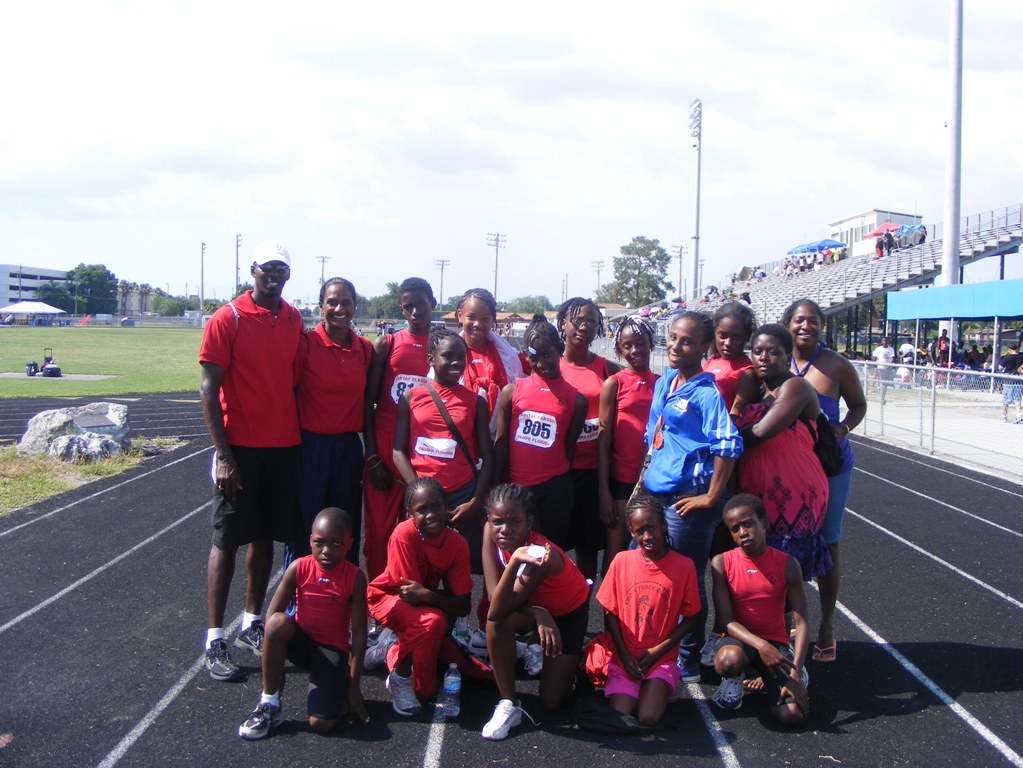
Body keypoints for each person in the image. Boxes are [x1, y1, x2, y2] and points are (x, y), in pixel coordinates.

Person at [198, 242, 304, 681]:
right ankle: (213, 639)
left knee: (265, 537)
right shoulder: (229, 318)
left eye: (282, 269)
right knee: (227, 540)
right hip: (239, 447)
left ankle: (250, 622)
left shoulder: (293, 318)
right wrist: (224, 455)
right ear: (252, 270)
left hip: (283, 446)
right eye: (267, 268)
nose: (274, 275)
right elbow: (208, 387)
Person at [641, 311, 742, 683]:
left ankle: (688, 658)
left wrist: (711, 496)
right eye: (672, 338)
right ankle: (661, 646)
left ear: (703, 347)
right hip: (660, 491)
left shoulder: (706, 392)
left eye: (686, 341)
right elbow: (655, 431)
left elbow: (728, 443)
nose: (675, 346)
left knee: (685, 578)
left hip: (689, 497)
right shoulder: (666, 380)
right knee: (658, 572)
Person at [783, 299, 866, 663]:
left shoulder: (836, 365)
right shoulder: (773, 358)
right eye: (799, 320)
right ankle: (784, 621)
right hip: (786, 469)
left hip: (830, 468)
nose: (806, 326)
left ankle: (827, 625)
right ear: (787, 324)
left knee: (829, 544)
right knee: (783, 544)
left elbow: (859, 405)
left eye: (813, 320)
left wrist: (843, 428)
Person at [238, 508, 369, 739]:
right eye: (319, 543)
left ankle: (335, 688)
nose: (326, 551)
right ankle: (269, 703)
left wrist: (354, 685)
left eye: (336, 543)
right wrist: (275, 665)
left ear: (350, 543)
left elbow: (358, 634)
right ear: (310, 541)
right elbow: (272, 617)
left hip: (331, 651)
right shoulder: (299, 567)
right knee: (277, 623)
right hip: (302, 643)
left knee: (322, 724)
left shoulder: (355, 577)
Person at [481, 484, 591, 740]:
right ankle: (508, 703)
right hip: (533, 606)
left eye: (515, 522)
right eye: (497, 521)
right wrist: (538, 613)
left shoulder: (543, 556)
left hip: (568, 613)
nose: (504, 529)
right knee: (497, 625)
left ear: (529, 522)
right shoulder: (490, 532)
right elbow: (493, 603)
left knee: (553, 703)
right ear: (488, 518)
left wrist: (518, 559)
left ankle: (576, 663)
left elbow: (501, 604)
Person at [365, 478, 474, 716]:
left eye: (436, 506)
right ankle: (399, 677)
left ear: (447, 507)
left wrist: (429, 595)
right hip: (387, 598)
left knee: (424, 691)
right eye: (422, 509)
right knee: (432, 622)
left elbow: (463, 604)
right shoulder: (403, 534)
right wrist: (443, 600)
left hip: (424, 605)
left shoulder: (457, 544)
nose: (431, 514)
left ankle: (391, 649)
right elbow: (409, 595)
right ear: (409, 514)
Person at [731, 324, 831, 580]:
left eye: (773, 351)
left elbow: (761, 432)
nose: (764, 357)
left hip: (792, 490)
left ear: (788, 357)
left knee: (783, 576)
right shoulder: (756, 390)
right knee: (756, 574)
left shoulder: (796, 387)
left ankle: (795, 621)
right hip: (755, 488)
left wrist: (716, 442)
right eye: (757, 351)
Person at [393, 326, 493, 572]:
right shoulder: (410, 397)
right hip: (421, 497)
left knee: (460, 570)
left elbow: (489, 458)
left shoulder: (476, 402)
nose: (456, 362)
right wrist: (416, 491)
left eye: (461, 356)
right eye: (448, 356)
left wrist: (476, 501)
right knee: (420, 567)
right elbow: (397, 451)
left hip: (461, 498)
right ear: (431, 359)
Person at [595, 493, 701, 727]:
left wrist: (656, 651)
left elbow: (691, 617)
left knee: (648, 717)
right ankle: (635, 685)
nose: (647, 536)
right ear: (631, 533)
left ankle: (665, 684)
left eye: (652, 528)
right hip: (626, 658)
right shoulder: (621, 561)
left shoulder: (684, 566)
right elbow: (609, 613)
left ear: (664, 525)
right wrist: (623, 655)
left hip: (660, 658)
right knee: (622, 715)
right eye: (639, 531)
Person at [293, 278, 375, 564]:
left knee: (344, 525)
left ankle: (343, 600)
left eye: (346, 302)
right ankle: (298, 599)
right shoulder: (305, 344)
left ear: (354, 307)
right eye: (332, 302)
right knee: (306, 526)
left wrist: (371, 450)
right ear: (320, 306)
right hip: (309, 448)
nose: (339, 308)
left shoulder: (365, 349)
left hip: (347, 450)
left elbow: (369, 403)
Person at [709, 494, 809, 725]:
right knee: (728, 661)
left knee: (792, 716)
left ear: (763, 523)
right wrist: (762, 646)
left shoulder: (788, 564)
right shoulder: (721, 563)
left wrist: (795, 673)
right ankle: (735, 678)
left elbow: (802, 622)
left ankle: (787, 670)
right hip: (739, 641)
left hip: (776, 643)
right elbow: (726, 621)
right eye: (735, 529)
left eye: (748, 523)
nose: (742, 532)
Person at [494, 314, 587, 552]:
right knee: (513, 555)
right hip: (517, 490)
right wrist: (494, 487)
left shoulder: (576, 400)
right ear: (525, 354)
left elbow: (568, 447)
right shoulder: (511, 392)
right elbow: (502, 444)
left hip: (554, 489)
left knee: (549, 554)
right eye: (534, 356)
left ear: (559, 350)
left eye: (547, 354)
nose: (541, 362)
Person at [363, 277, 436, 580]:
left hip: (424, 445)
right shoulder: (388, 343)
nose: (415, 312)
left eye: (420, 304)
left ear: (432, 303)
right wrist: (371, 456)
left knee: (422, 529)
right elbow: (368, 403)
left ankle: (415, 598)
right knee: (379, 531)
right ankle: (379, 601)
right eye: (408, 307)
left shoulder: (444, 347)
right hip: (385, 443)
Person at [557, 297, 621, 580]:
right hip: (559, 472)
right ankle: (556, 613)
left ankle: (581, 614)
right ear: (563, 324)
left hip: (595, 473)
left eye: (592, 322)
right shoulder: (548, 366)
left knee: (587, 550)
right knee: (553, 547)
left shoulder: (610, 370)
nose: (584, 327)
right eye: (578, 320)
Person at [597, 316, 659, 564]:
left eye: (641, 343)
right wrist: (604, 492)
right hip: (622, 480)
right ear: (619, 350)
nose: (635, 350)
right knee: (616, 553)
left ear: (650, 343)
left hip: (653, 479)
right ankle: (609, 603)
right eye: (628, 346)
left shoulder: (663, 383)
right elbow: (603, 440)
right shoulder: (614, 383)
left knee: (648, 553)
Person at [454, 287, 528, 437]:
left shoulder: (511, 356)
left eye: (485, 319)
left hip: (497, 440)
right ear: (460, 316)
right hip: (459, 439)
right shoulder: (444, 355)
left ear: (493, 320)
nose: (477, 324)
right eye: (471, 317)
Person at [704, 300, 757, 410]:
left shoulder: (747, 372)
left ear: (747, 337)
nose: (728, 343)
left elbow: (736, 415)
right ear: (715, 333)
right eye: (723, 335)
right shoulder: (712, 361)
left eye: (736, 337)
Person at [999, 344, 1023, 423]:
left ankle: (1004, 416)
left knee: (1006, 399)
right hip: (1018, 380)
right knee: (1017, 399)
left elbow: (1000, 367)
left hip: (1008, 380)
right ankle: (1019, 415)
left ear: (1009, 349)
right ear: (1016, 349)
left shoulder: (1007, 357)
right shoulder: (1021, 357)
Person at [872, 336, 895, 404]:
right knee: (881, 383)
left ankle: (882, 397)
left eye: (886, 340)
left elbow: (892, 358)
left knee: (885, 384)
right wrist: (874, 361)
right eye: (883, 340)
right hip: (880, 368)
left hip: (887, 369)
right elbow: (874, 357)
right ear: (882, 341)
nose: (885, 342)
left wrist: (888, 365)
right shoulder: (878, 349)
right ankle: (881, 397)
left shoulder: (891, 349)